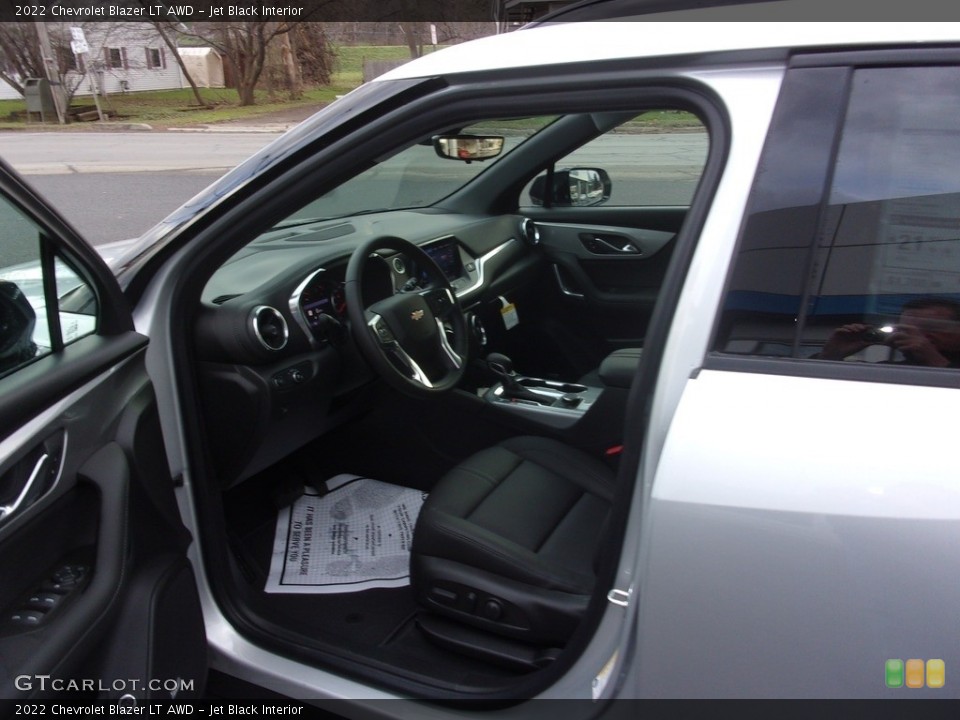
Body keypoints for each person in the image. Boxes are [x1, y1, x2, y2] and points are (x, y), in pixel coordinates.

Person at [818, 297, 960, 367]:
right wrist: (829, 356)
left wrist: (933, 359)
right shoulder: (889, 370)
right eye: (906, 329)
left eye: (930, 327)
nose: (917, 336)